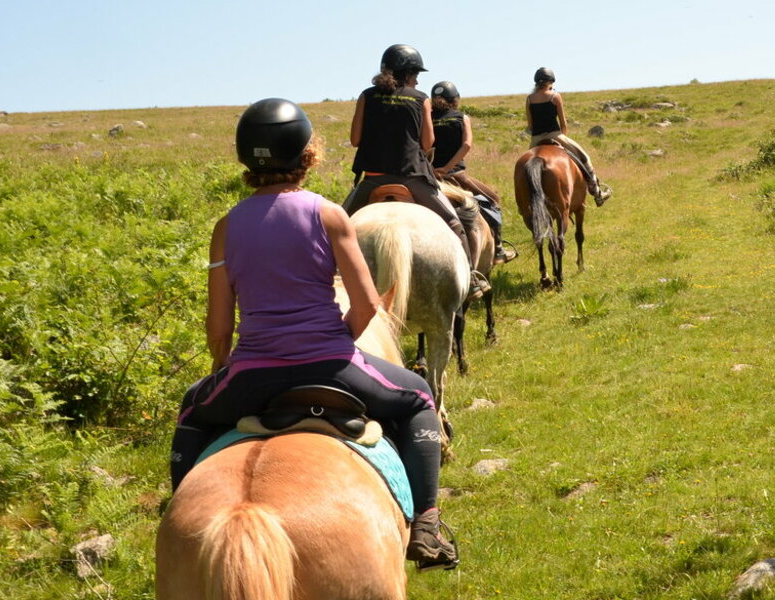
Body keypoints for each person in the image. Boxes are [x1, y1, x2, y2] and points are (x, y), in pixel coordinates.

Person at [168, 98, 459, 571]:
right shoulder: (328, 215)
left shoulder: (226, 228)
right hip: (332, 364)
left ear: (247, 159)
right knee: (419, 398)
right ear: (307, 156)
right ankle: (426, 524)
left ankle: (179, 519)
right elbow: (366, 305)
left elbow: (219, 330)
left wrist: (224, 369)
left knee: (192, 411)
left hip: (252, 374)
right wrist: (335, 342)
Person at [341, 44, 488, 294]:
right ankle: (472, 278)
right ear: (407, 73)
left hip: (373, 179)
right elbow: (428, 143)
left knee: (336, 228)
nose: (418, 79)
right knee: (454, 223)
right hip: (412, 179)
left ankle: (323, 280)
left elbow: (355, 140)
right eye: (416, 74)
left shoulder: (366, 96)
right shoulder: (421, 99)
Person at [429, 80, 515, 264]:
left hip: (431, 176)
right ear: (455, 99)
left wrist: (433, 169)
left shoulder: (425, 119)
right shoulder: (462, 118)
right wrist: (448, 168)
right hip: (456, 176)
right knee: (493, 200)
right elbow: (467, 144)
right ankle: (498, 249)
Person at [526, 67, 611, 205]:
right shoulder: (555, 96)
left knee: (525, 168)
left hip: (536, 139)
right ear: (551, 82)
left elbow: (530, 125)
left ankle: (526, 201)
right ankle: (597, 192)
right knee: (585, 157)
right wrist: (562, 136)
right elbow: (563, 123)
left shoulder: (529, 99)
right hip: (556, 135)